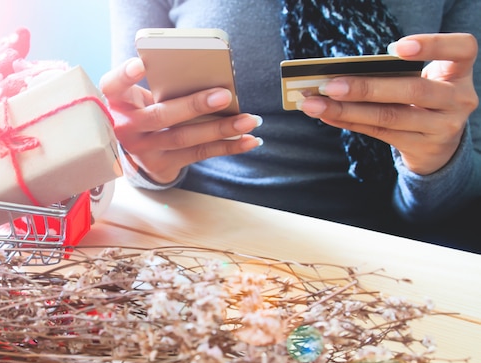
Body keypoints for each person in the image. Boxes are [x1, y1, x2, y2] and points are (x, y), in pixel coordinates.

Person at [100, 0, 481, 252]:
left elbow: (460, 194)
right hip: (197, 230)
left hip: (382, 243)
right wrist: (145, 164)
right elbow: (135, 134)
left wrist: (437, 160)